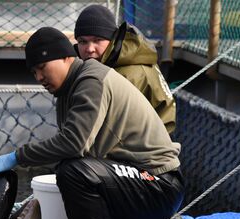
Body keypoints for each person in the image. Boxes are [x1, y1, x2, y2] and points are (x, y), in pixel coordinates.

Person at [0, 27, 208, 219]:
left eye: (42, 67)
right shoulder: (67, 91)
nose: (38, 76)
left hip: (159, 183)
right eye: (33, 72)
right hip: (130, 183)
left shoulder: (91, 80)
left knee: (72, 169)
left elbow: (74, 144)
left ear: (65, 57)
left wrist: (16, 157)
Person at [74, 4, 176, 133]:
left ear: (112, 40)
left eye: (98, 40)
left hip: (143, 147)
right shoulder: (108, 64)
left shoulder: (129, 74)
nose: (89, 49)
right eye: (83, 42)